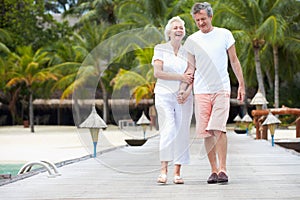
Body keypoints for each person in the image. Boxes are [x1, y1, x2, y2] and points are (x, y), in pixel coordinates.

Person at [181, 2, 245, 184]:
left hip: (221, 89)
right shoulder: (192, 40)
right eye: (197, 20)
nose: (201, 23)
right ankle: (214, 170)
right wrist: (185, 91)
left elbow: (234, 60)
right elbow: (190, 69)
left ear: (210, 17)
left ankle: (223, 169)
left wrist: (241, 84)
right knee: (206, 132)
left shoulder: (224, 34)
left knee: (218, 128)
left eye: (203, 19)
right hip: (201, 91)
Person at [152, 16, 194, 184]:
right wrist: (180, 77)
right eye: (175, 27)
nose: (178, 30)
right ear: (169, 32)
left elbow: (191, 76)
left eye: (181, 28)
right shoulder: (160, 48)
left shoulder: (189, 51)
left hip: (183, 96)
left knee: (182, 132)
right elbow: (158, 73)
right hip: (163, 95)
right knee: (168, 129)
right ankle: (163, 171)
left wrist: (183, 91)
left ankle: (177, 172)